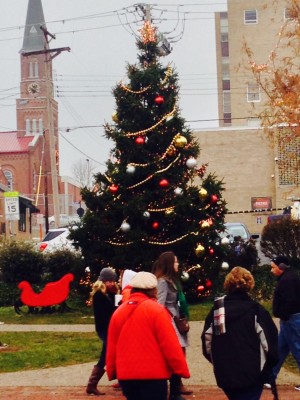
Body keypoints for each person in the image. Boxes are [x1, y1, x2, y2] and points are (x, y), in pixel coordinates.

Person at [106, 271, 190, 400]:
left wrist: (112, 371)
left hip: (127, 376)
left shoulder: (118, 313)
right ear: (152, 290)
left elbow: (112, 346)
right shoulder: (157, 311)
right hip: (154, 375)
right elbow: (169, 344)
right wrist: (181, 369)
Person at [201, 266, 278, 400]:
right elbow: (270, 345)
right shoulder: (256, 311)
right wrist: (267, 368)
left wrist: (218, 363)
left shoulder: (218, 310)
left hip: (225, 373)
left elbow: (207, 343)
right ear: (249, 284)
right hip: (252, 373)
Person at [152, 251, 192, 399]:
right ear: (169, 263)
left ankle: (176, 389)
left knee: (179, 354)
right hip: (170, 321)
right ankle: (174, 392)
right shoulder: (162, 282)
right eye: (175, 262)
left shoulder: (171, 280)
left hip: (176, 319)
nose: (178, 264)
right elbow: (159, 304)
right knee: (175, 355)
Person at [268, 255, 300, 391]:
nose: (272, 270)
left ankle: (270, 377)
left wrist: (283, 314)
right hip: (288, 320)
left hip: (291, 320)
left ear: (281, 267)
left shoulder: (287, 281)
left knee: (298, 349)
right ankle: (270, 378)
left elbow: (290, 302)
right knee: (280, 349)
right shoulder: (288, 278)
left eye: (273, 267)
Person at [86, 267, 118, 396]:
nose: (111, 283)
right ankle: (92, 384)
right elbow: (106, 314)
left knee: (109, 353)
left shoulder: (110, 294)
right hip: (105, 328)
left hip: (110, 328)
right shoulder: (99, 295)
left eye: (112, 281)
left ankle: (92, 384)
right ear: (103, 281)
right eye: (109, 281)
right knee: (106, 354)